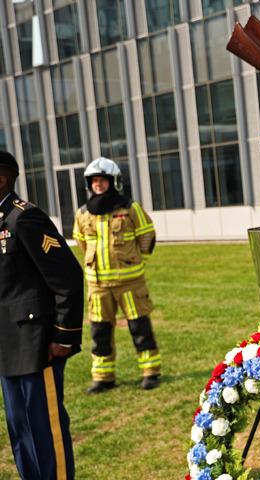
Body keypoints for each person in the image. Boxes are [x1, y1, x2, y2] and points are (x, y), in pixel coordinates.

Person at [0, 151, 82, 478]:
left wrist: (64, 335)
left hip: (35, 344)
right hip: (7, 345)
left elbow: (67, 278)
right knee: (20, 432)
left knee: (44, 429)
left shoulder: (25, 218)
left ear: (2, 178)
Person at [72, 157, 161, 393]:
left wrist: (136, 261)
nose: (98, 184)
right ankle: (103, 377)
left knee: (139, 328)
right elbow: (81, 241)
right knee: (99, 332)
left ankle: (150, 372)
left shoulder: (130, 208)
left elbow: (147, 236)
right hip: (98, 286)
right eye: (94, 181)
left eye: (102, 180)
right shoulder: (82, 213)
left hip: (129, 283)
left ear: (113, 182)